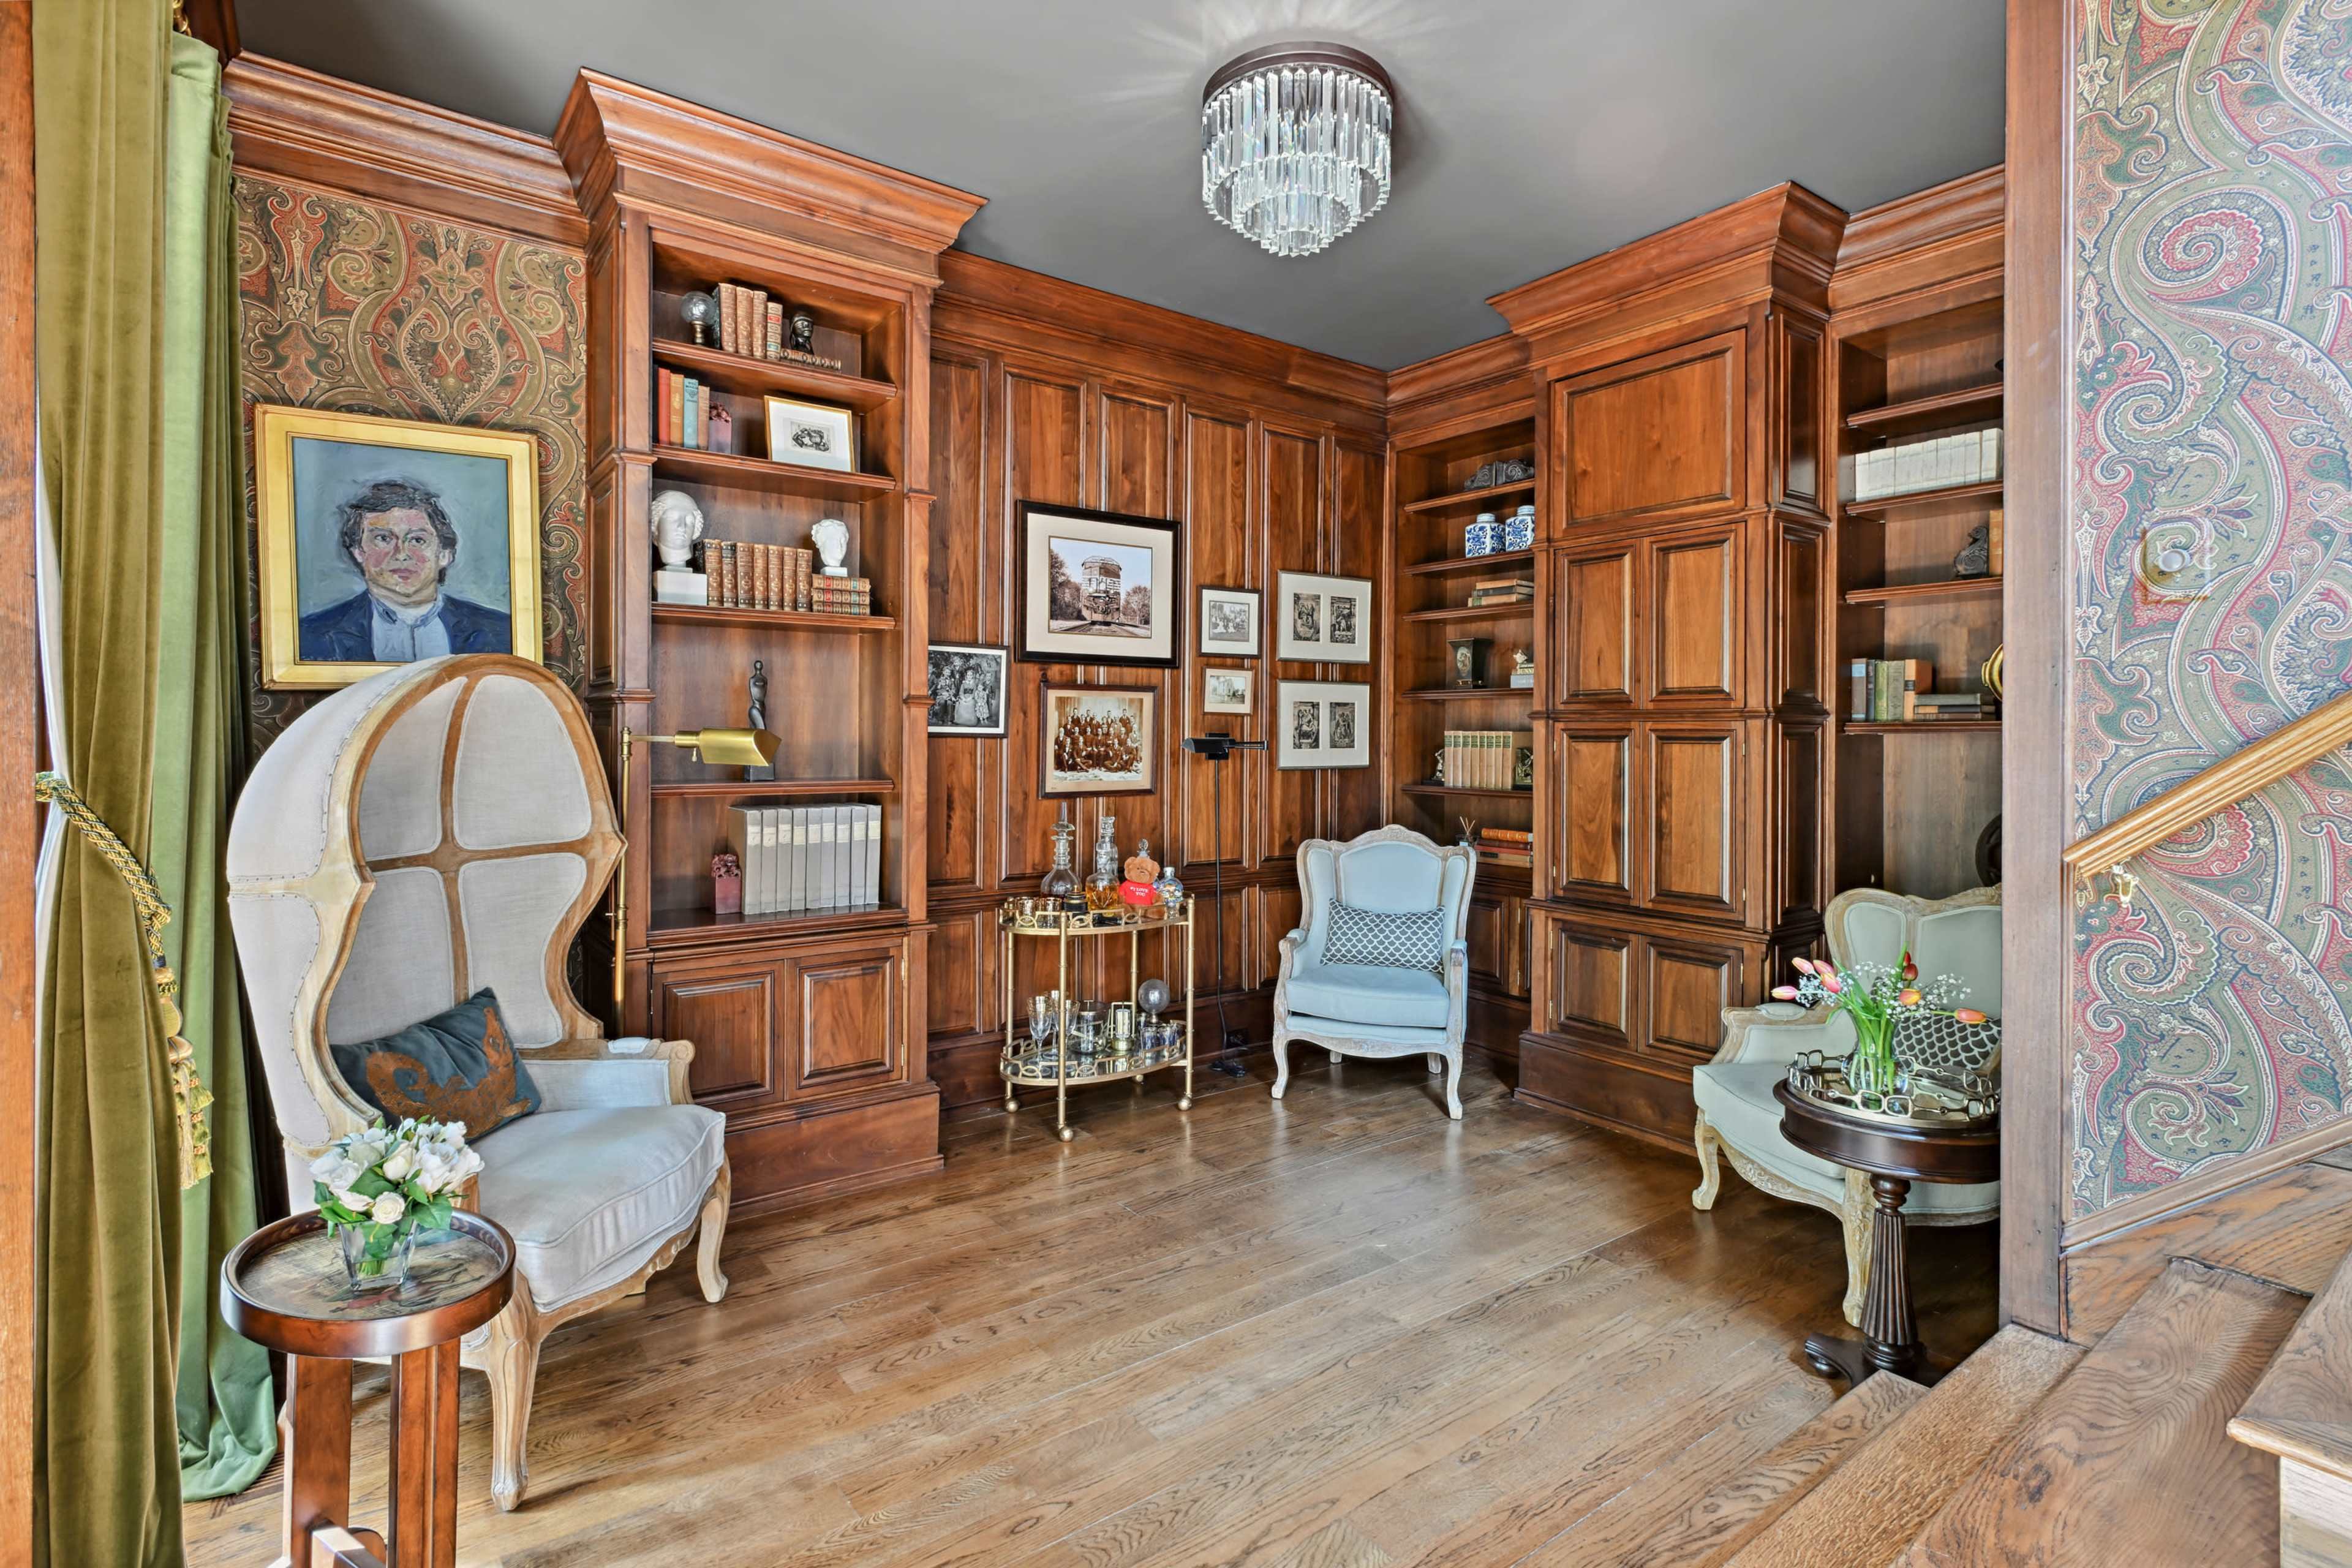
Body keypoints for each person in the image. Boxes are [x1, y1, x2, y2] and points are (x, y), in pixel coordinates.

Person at [298, 477, 513, 663]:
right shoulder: (310, 634)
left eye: (418, 540)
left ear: (445, 555)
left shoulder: (501, 631)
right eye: (383, 538)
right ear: (358, 552)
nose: (401, 553)